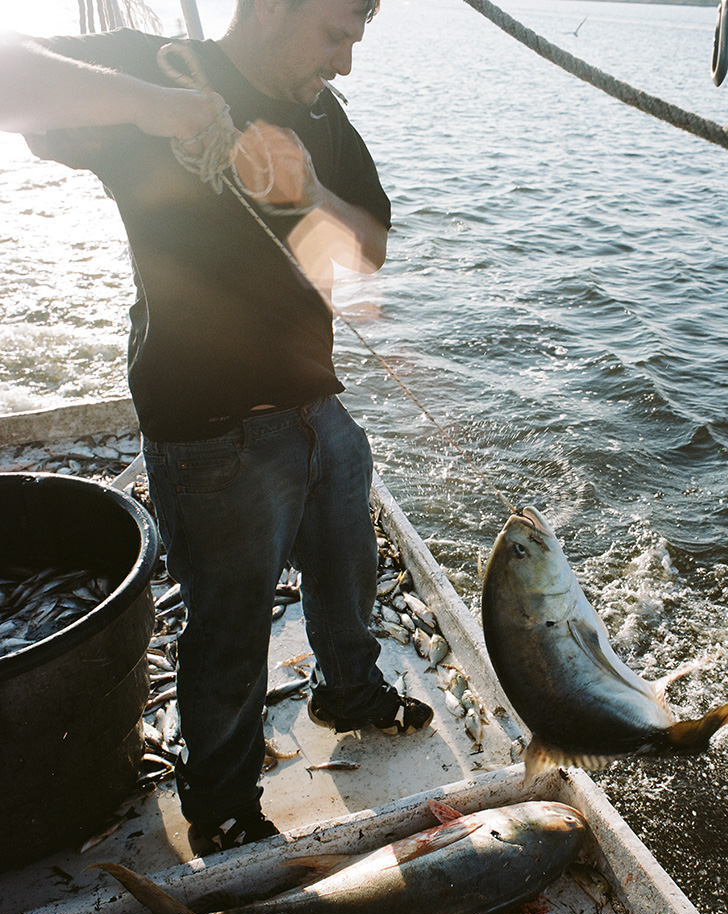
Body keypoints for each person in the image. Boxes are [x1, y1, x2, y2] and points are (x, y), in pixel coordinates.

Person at [0, 0, 434, 855]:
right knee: (228, 631)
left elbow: (366, 252)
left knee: (349, 577)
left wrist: (308, 192)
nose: (345, 62)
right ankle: (223, 798)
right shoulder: (154, 67)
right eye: (337, 33)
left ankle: (350, 690)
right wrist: (162, 110)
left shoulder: (321, 114)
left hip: (320, 410)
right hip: (213, 436)